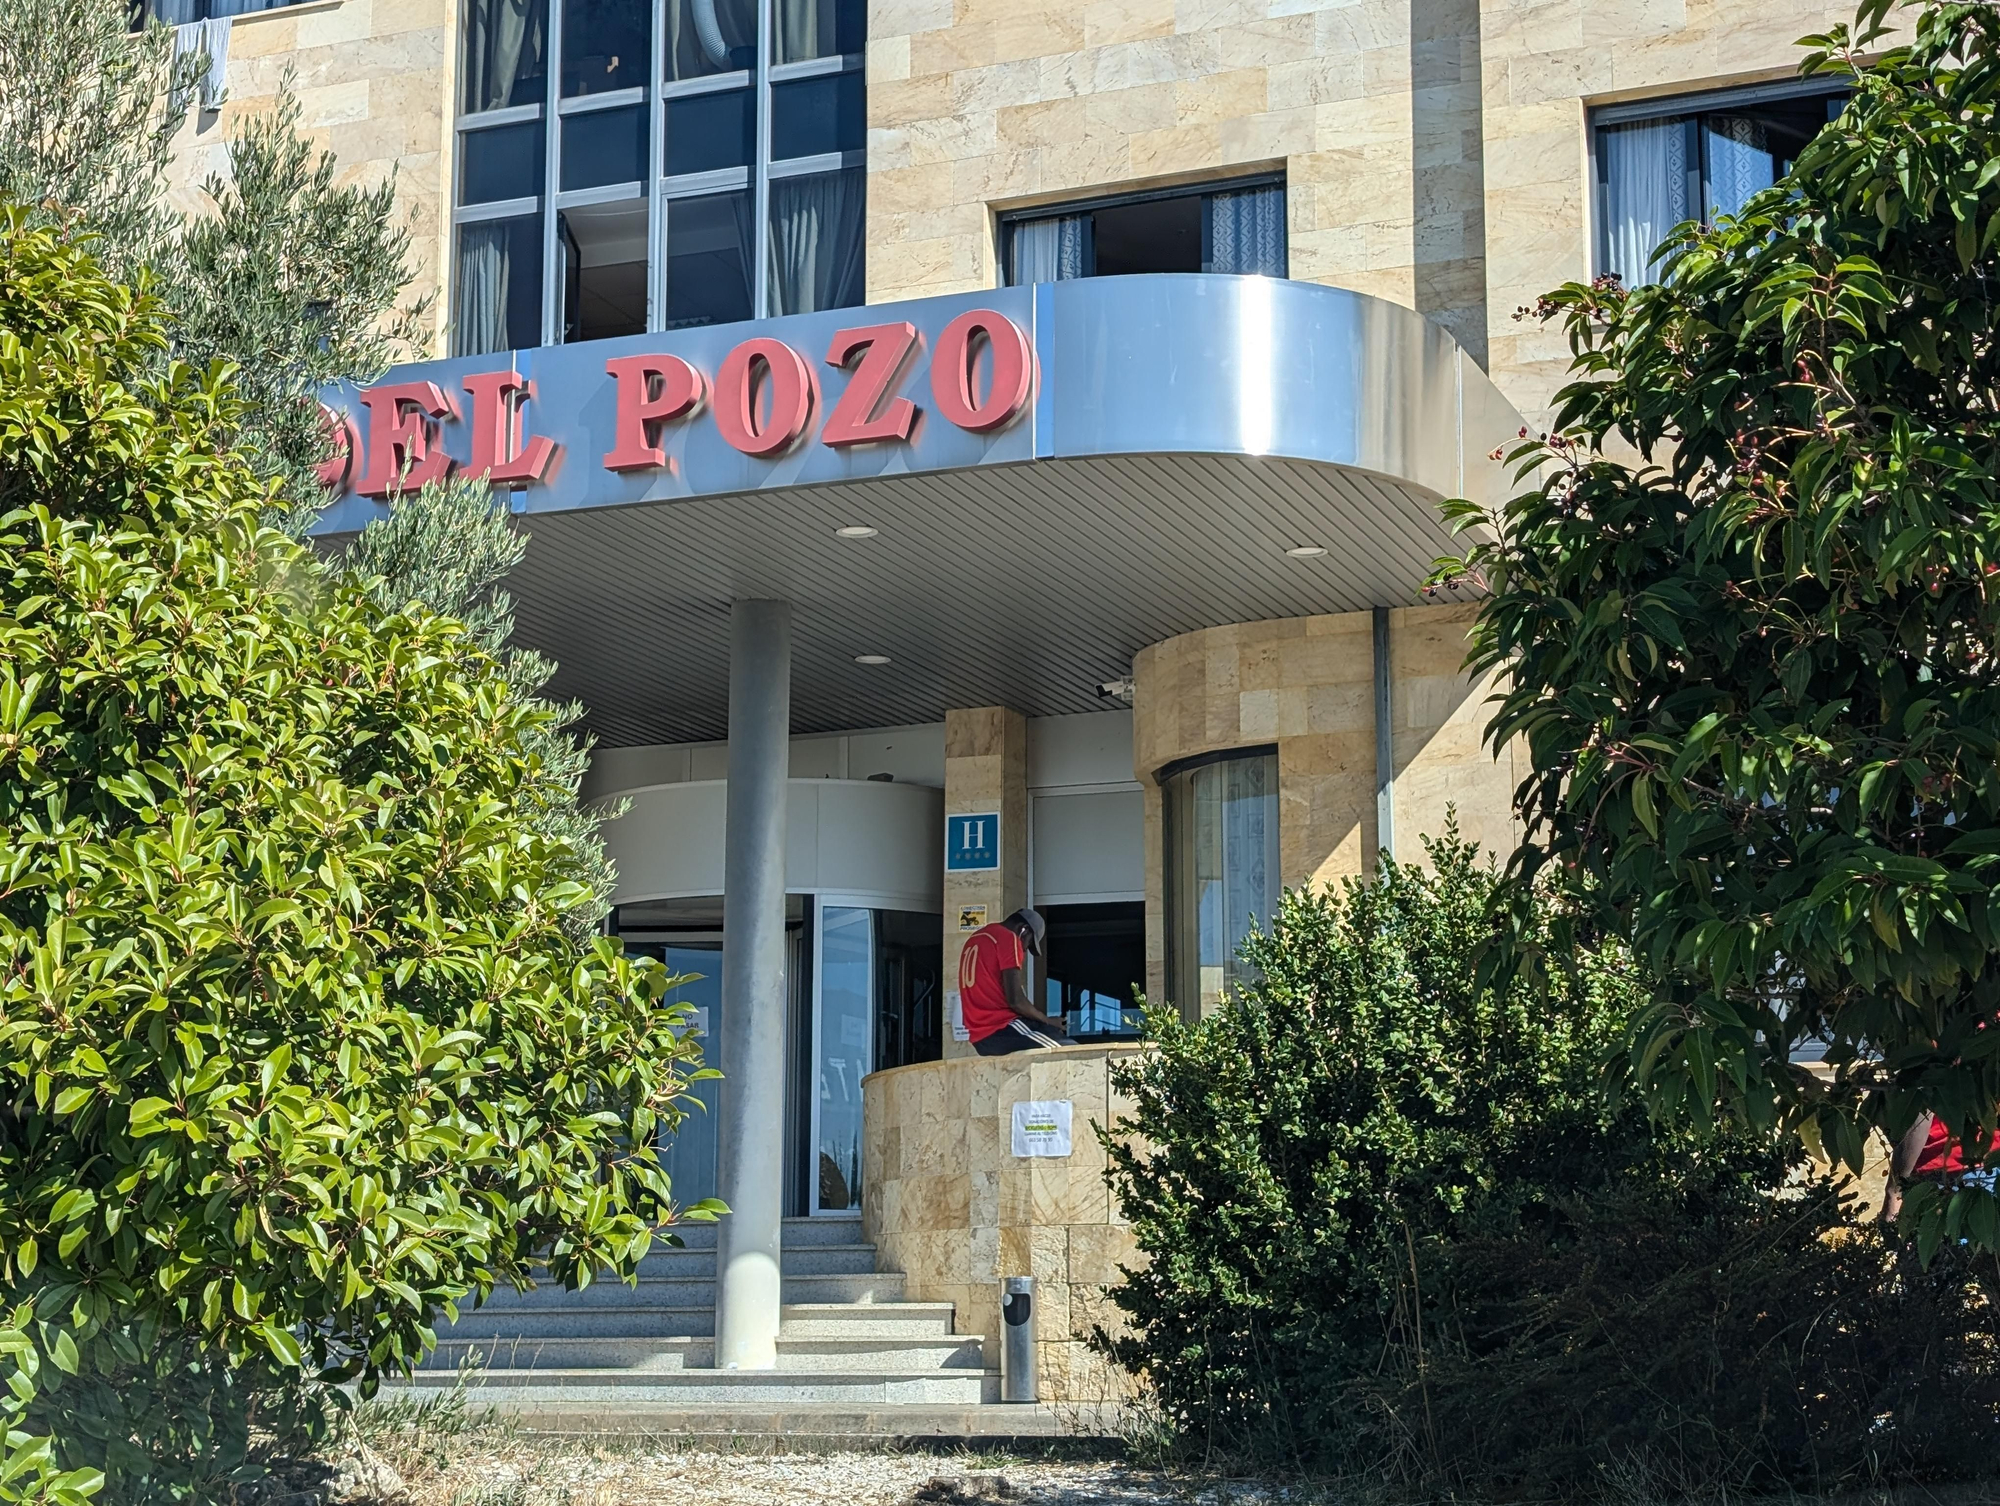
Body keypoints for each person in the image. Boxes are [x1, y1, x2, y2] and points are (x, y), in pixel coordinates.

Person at [959, 907, 1071, 1055]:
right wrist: (1047, 1021)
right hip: (1001, 1028)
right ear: (1023, 930)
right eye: (1029, 944)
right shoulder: (1008, 937)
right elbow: (1016, 1001)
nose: (1024, 950)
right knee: (1068, 1048)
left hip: (979, 1037)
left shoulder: (975, 938)